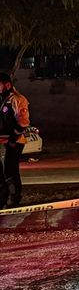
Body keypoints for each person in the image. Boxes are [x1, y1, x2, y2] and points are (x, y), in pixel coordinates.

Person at [0, 73, 30, 209]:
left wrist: (12, 139)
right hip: (1, 141)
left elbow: (23, 123)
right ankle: (2, 199)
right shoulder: (2, 100)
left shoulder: (17, 100)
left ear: (7, 84)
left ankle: (13, 199)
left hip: (13, 141)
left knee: (10, 170)